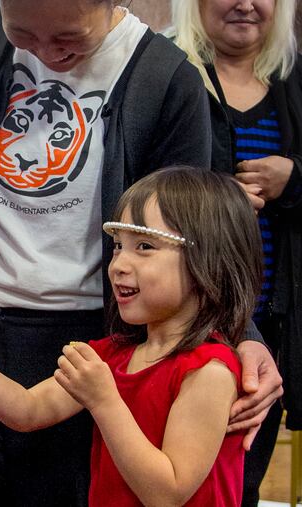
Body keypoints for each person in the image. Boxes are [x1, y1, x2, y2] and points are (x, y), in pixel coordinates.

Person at [0, 0, 283, 505]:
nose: (44, 52)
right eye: (21, 32)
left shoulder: (166, 76)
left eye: (66, 37)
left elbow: (197, 232)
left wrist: (242, 332)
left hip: (86, 327)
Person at [0, 166, 263, 506]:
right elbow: (27, 411)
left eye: (144, 246)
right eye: (118, 246)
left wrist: (104, 401)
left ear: (209, 260)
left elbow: (167, 494)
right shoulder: (112, 355)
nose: (118, 264)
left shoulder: (209, 372)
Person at [172, 1, 302, 504]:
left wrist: (293, 178)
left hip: (272, 330)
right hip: (187, 324)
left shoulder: (293, 82)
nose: (247, 3)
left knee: (239, 486)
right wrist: (215, 199)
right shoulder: (169, 74)